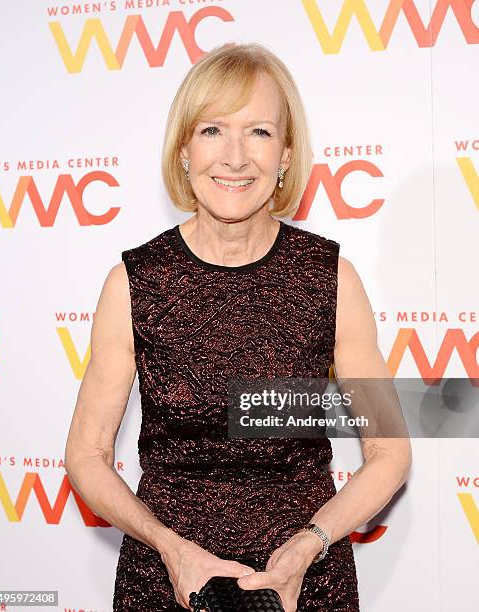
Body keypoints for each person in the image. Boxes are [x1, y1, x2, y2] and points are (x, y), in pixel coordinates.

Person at [64, 43, 412, 611]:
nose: (235, 157)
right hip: (166, 577)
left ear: (285, 155)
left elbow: (390, 453)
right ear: (182, 151)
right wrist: (169, 547)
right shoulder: (133, 283)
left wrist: (308, 546)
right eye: (211, 131)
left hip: (306, 579)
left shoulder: (331, 279)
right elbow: (86, 455)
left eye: (258, 132)